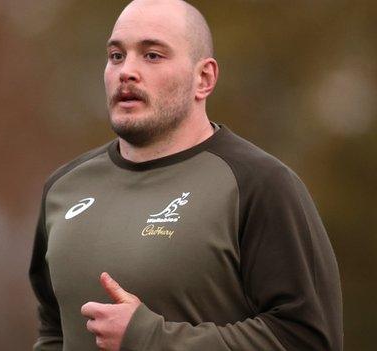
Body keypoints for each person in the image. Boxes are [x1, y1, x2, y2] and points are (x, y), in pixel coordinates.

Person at [28, 0, 343, 350]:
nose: (126, 71)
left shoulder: (259, 185)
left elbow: (308, 338)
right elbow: (54, 331)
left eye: (152, 55)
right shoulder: (64, 188)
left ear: (203, 78)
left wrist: (149, 339)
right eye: (117, 55)